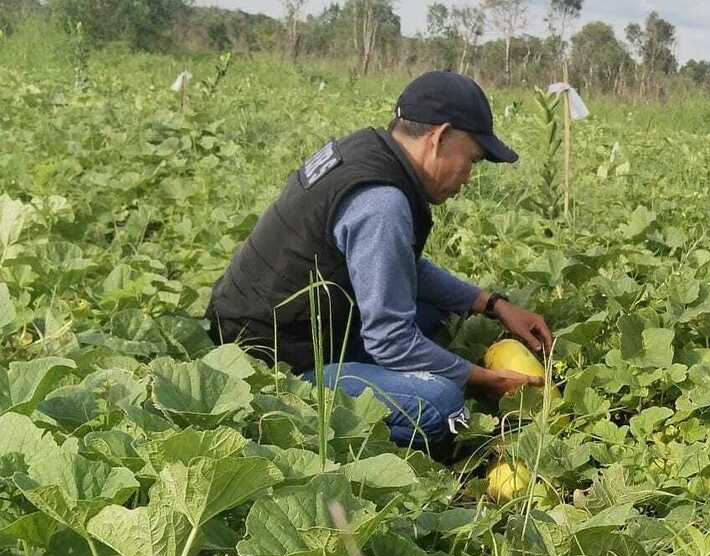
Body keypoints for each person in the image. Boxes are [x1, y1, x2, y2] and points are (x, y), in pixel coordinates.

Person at [205, 71, 552, 450]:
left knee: (436, 310)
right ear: (439, 138)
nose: (468, 176)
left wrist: (492, 304)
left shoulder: (367, 150)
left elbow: (397, 264)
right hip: (272, 362)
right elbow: (391, 341)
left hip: (269, 322)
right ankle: (306, 411)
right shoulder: (382, 202)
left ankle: (368, 374)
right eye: (472, 159)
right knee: (439, 405)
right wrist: (484, 379)